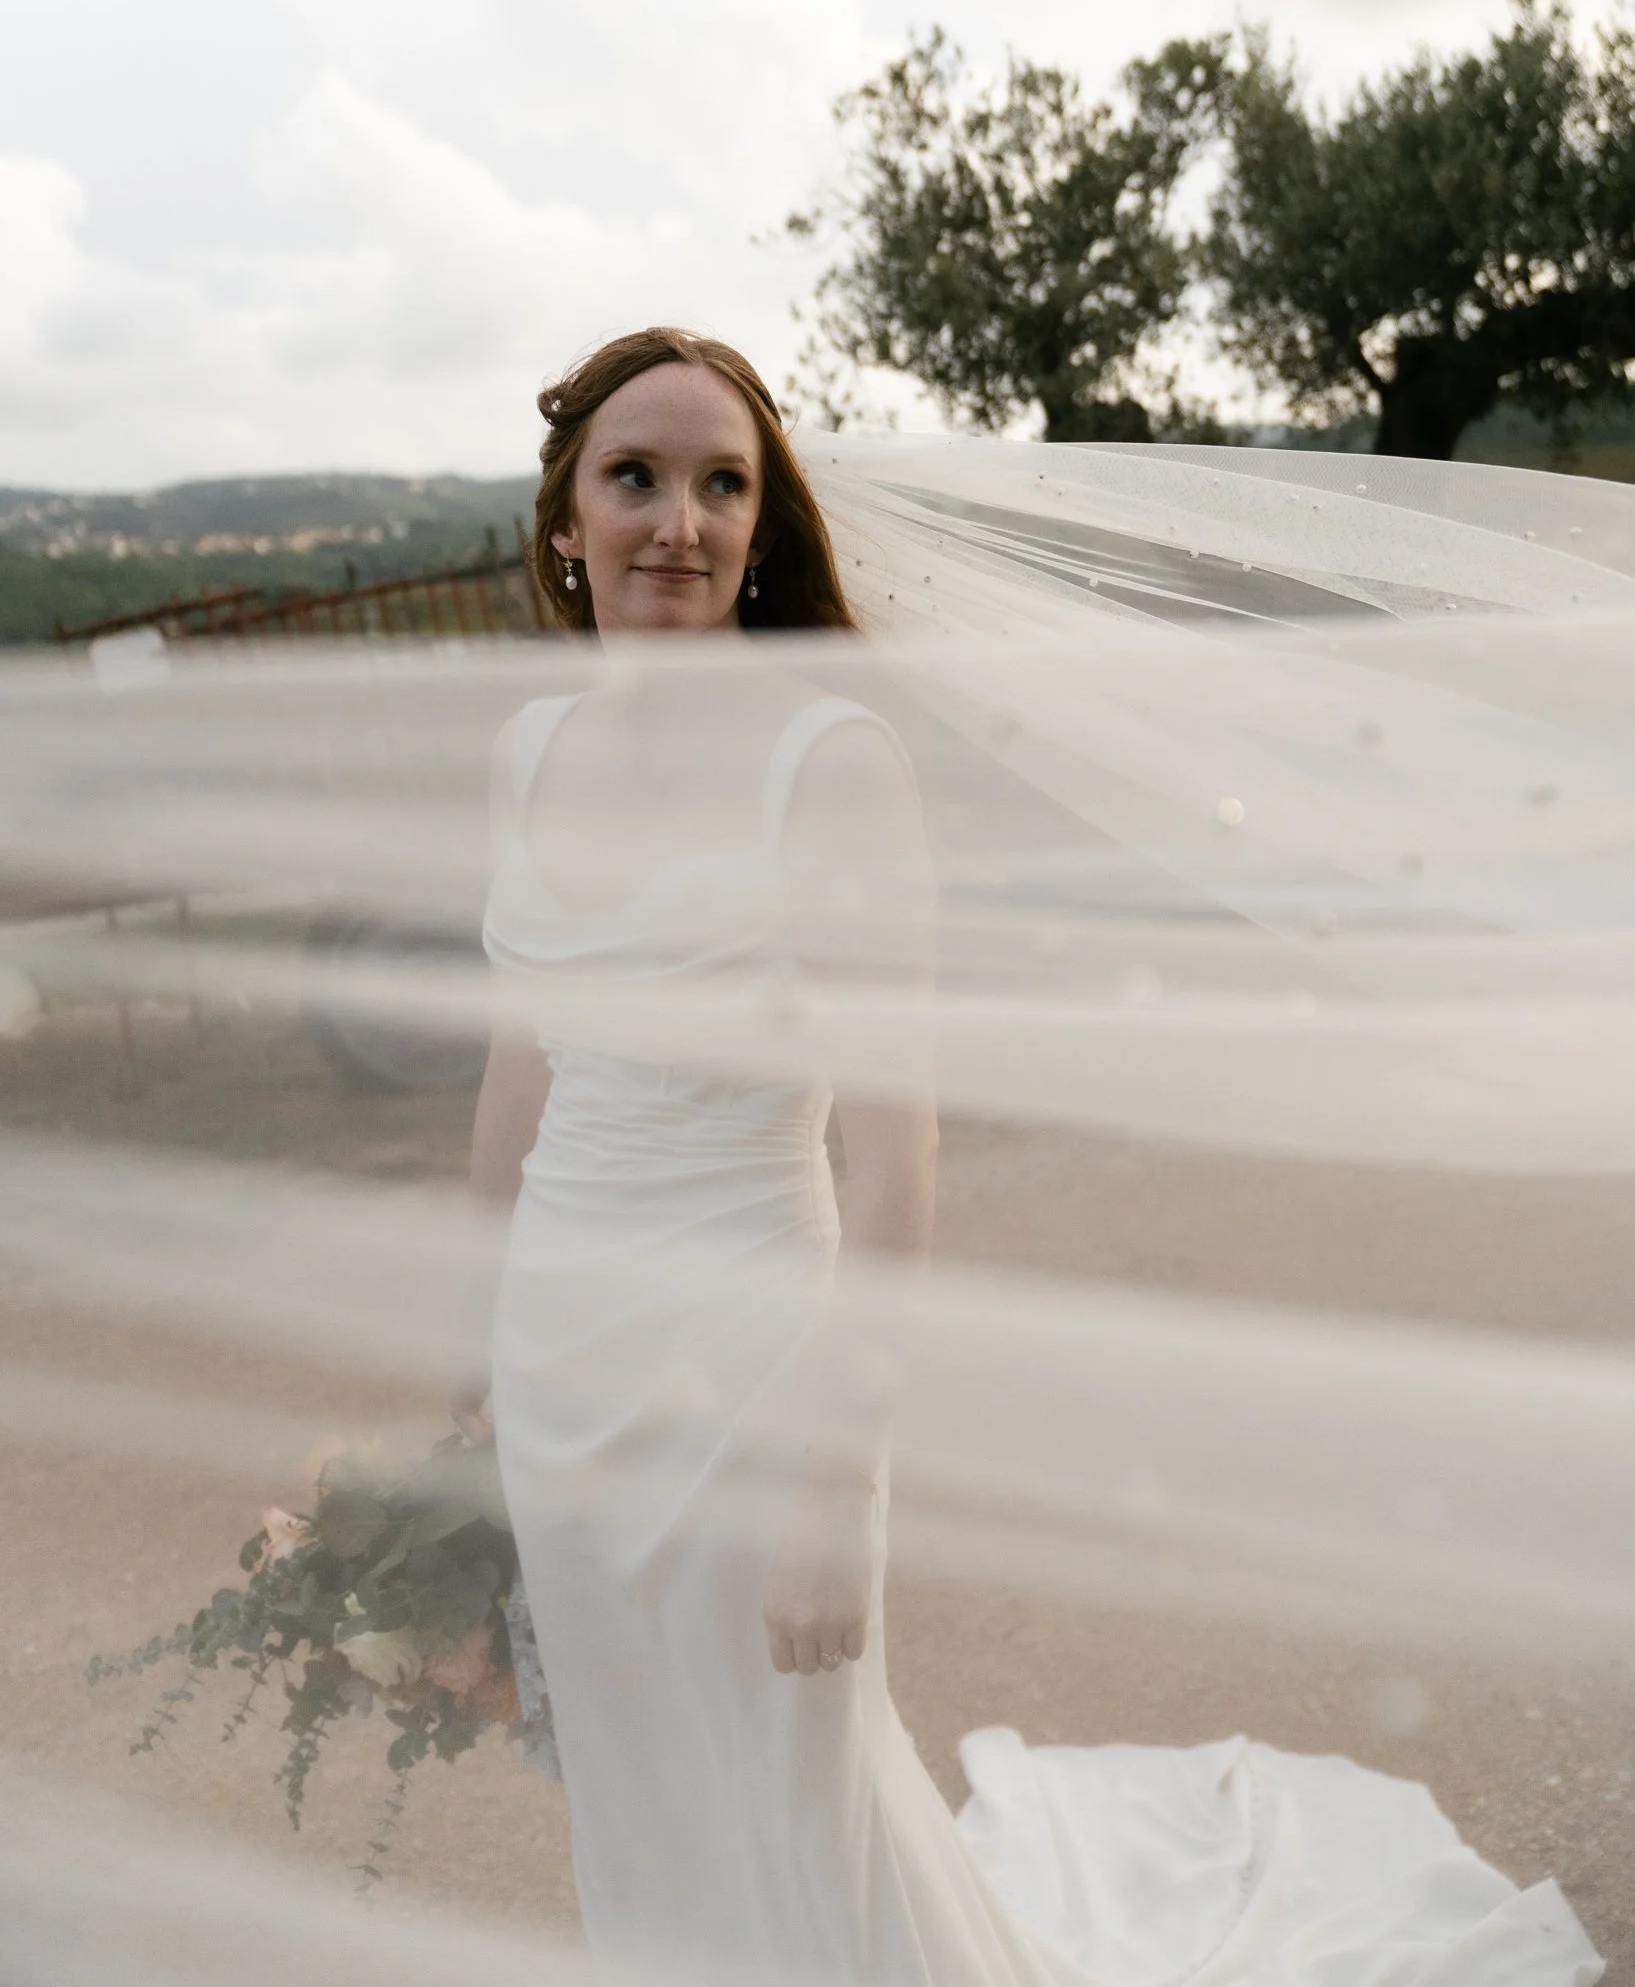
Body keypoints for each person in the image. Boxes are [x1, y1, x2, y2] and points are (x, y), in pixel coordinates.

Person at [457, 326, 1603, 1987]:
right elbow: (517, 1069)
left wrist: (835, 1486)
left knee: (794, 1797)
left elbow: (895, 1156)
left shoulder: (823, 765)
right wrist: (464, 1368)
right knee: (633, 1797)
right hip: (562, 1367)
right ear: (566, 516)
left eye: (723, 485)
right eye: (635, 477)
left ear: (763, 529)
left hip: (750, 1374)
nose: (678, 523)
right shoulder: (523, 753)